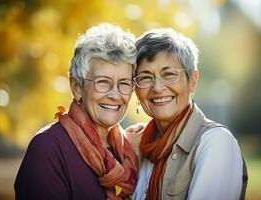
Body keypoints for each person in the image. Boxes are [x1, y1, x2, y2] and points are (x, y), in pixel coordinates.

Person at [14, 23, 138, 200]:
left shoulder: (128, 152)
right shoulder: (48, 148)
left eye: (124, 83)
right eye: (103, 82)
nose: (115, 95)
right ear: (77, 87)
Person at [132, 28, 248, 200]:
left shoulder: (216, 142)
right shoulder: (141, 148)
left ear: (192, 81)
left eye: (169, 74)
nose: (157, 87)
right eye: (145, 77)